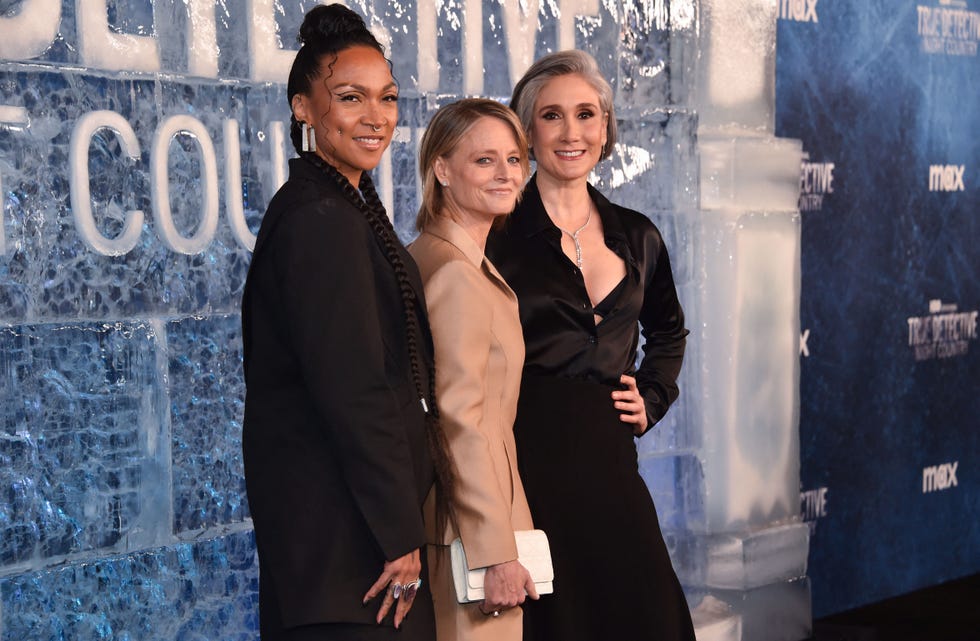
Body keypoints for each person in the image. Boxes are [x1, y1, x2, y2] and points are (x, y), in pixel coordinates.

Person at [240, 5, 453, 640]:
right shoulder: (321, 220)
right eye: (350, 97)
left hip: (345, 547)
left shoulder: (336, 205)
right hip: (353, 556)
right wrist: (397, 535)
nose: (376, 116)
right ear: (303, 107)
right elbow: (356, 387)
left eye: (386, 98)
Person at [485, 50, 696, 641]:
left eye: (586, 114)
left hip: (609, 461)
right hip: (528, 464)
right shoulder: (495, 234)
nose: (571, 132)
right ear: (526, 132)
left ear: (606, 129)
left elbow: (670, 331)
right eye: (552, 116)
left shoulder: (637, 235)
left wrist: (652, 396)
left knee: (645, 615)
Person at [408, 99, 538, 640]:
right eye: (484, 160)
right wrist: (495, 551)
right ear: (442, 169)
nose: (506, 173)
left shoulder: (432, 256)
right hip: (469, 536)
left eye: (514, 158)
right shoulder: (456, 275)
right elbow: (459, 420)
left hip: (457, 525)